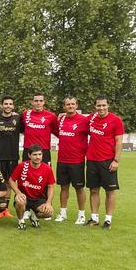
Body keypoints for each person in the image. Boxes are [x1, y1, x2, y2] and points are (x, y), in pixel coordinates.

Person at [85, 96, 124, 230]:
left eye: (103, 105)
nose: (101, 108)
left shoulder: (116, 120)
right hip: (91, 160)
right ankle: (94, 218)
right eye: (98, 106)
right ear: (95, 107)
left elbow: (119, 141)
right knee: (94, 190)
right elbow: (78, 118)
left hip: (108, 161)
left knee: (110, 191)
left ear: (108, 105)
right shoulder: (91, 118)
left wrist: (116, 160)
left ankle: (108, 220)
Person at [54, 96, 89, 224]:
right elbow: (59, 133)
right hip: (62, 160)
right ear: (64, 106)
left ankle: (81, 215)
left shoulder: (83, 120)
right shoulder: (61, 119)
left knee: (79, 188)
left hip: (77, 161)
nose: (70, 106)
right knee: (64, 188)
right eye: (68, 104)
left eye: (72, 104)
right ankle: (63, 213)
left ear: (76, 105)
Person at [9, 144, 55, 230]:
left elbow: (51, 187)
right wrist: (18, 193)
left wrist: (48, 203)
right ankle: (21, 221)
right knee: (20, 201)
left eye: (39, 154)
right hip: (24, 196)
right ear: (29, 155)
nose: (37, 157)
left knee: (49, 213)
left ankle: (34, 216)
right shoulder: (22, 166)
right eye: (34, 154)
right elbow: (11, 180)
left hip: (38, 199)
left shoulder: (47, 169)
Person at [0, 96, 22, 219]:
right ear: (1, 105)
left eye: (10, 104)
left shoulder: (17, 118)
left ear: (13, 106)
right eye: (6, 104)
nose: (8, 106)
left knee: (9, 183)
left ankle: (5, 209)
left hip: (12, 157)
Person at [21, 92, 58, 164]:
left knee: (45, 174)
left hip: (44, 151)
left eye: (41, 101)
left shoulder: (51, 116)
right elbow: (21, 129)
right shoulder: (25, 114)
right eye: (36, 101)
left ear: (44, 102)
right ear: (31, 102)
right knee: (26, 174)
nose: (38, 103)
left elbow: (57, 131)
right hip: (28, 150)